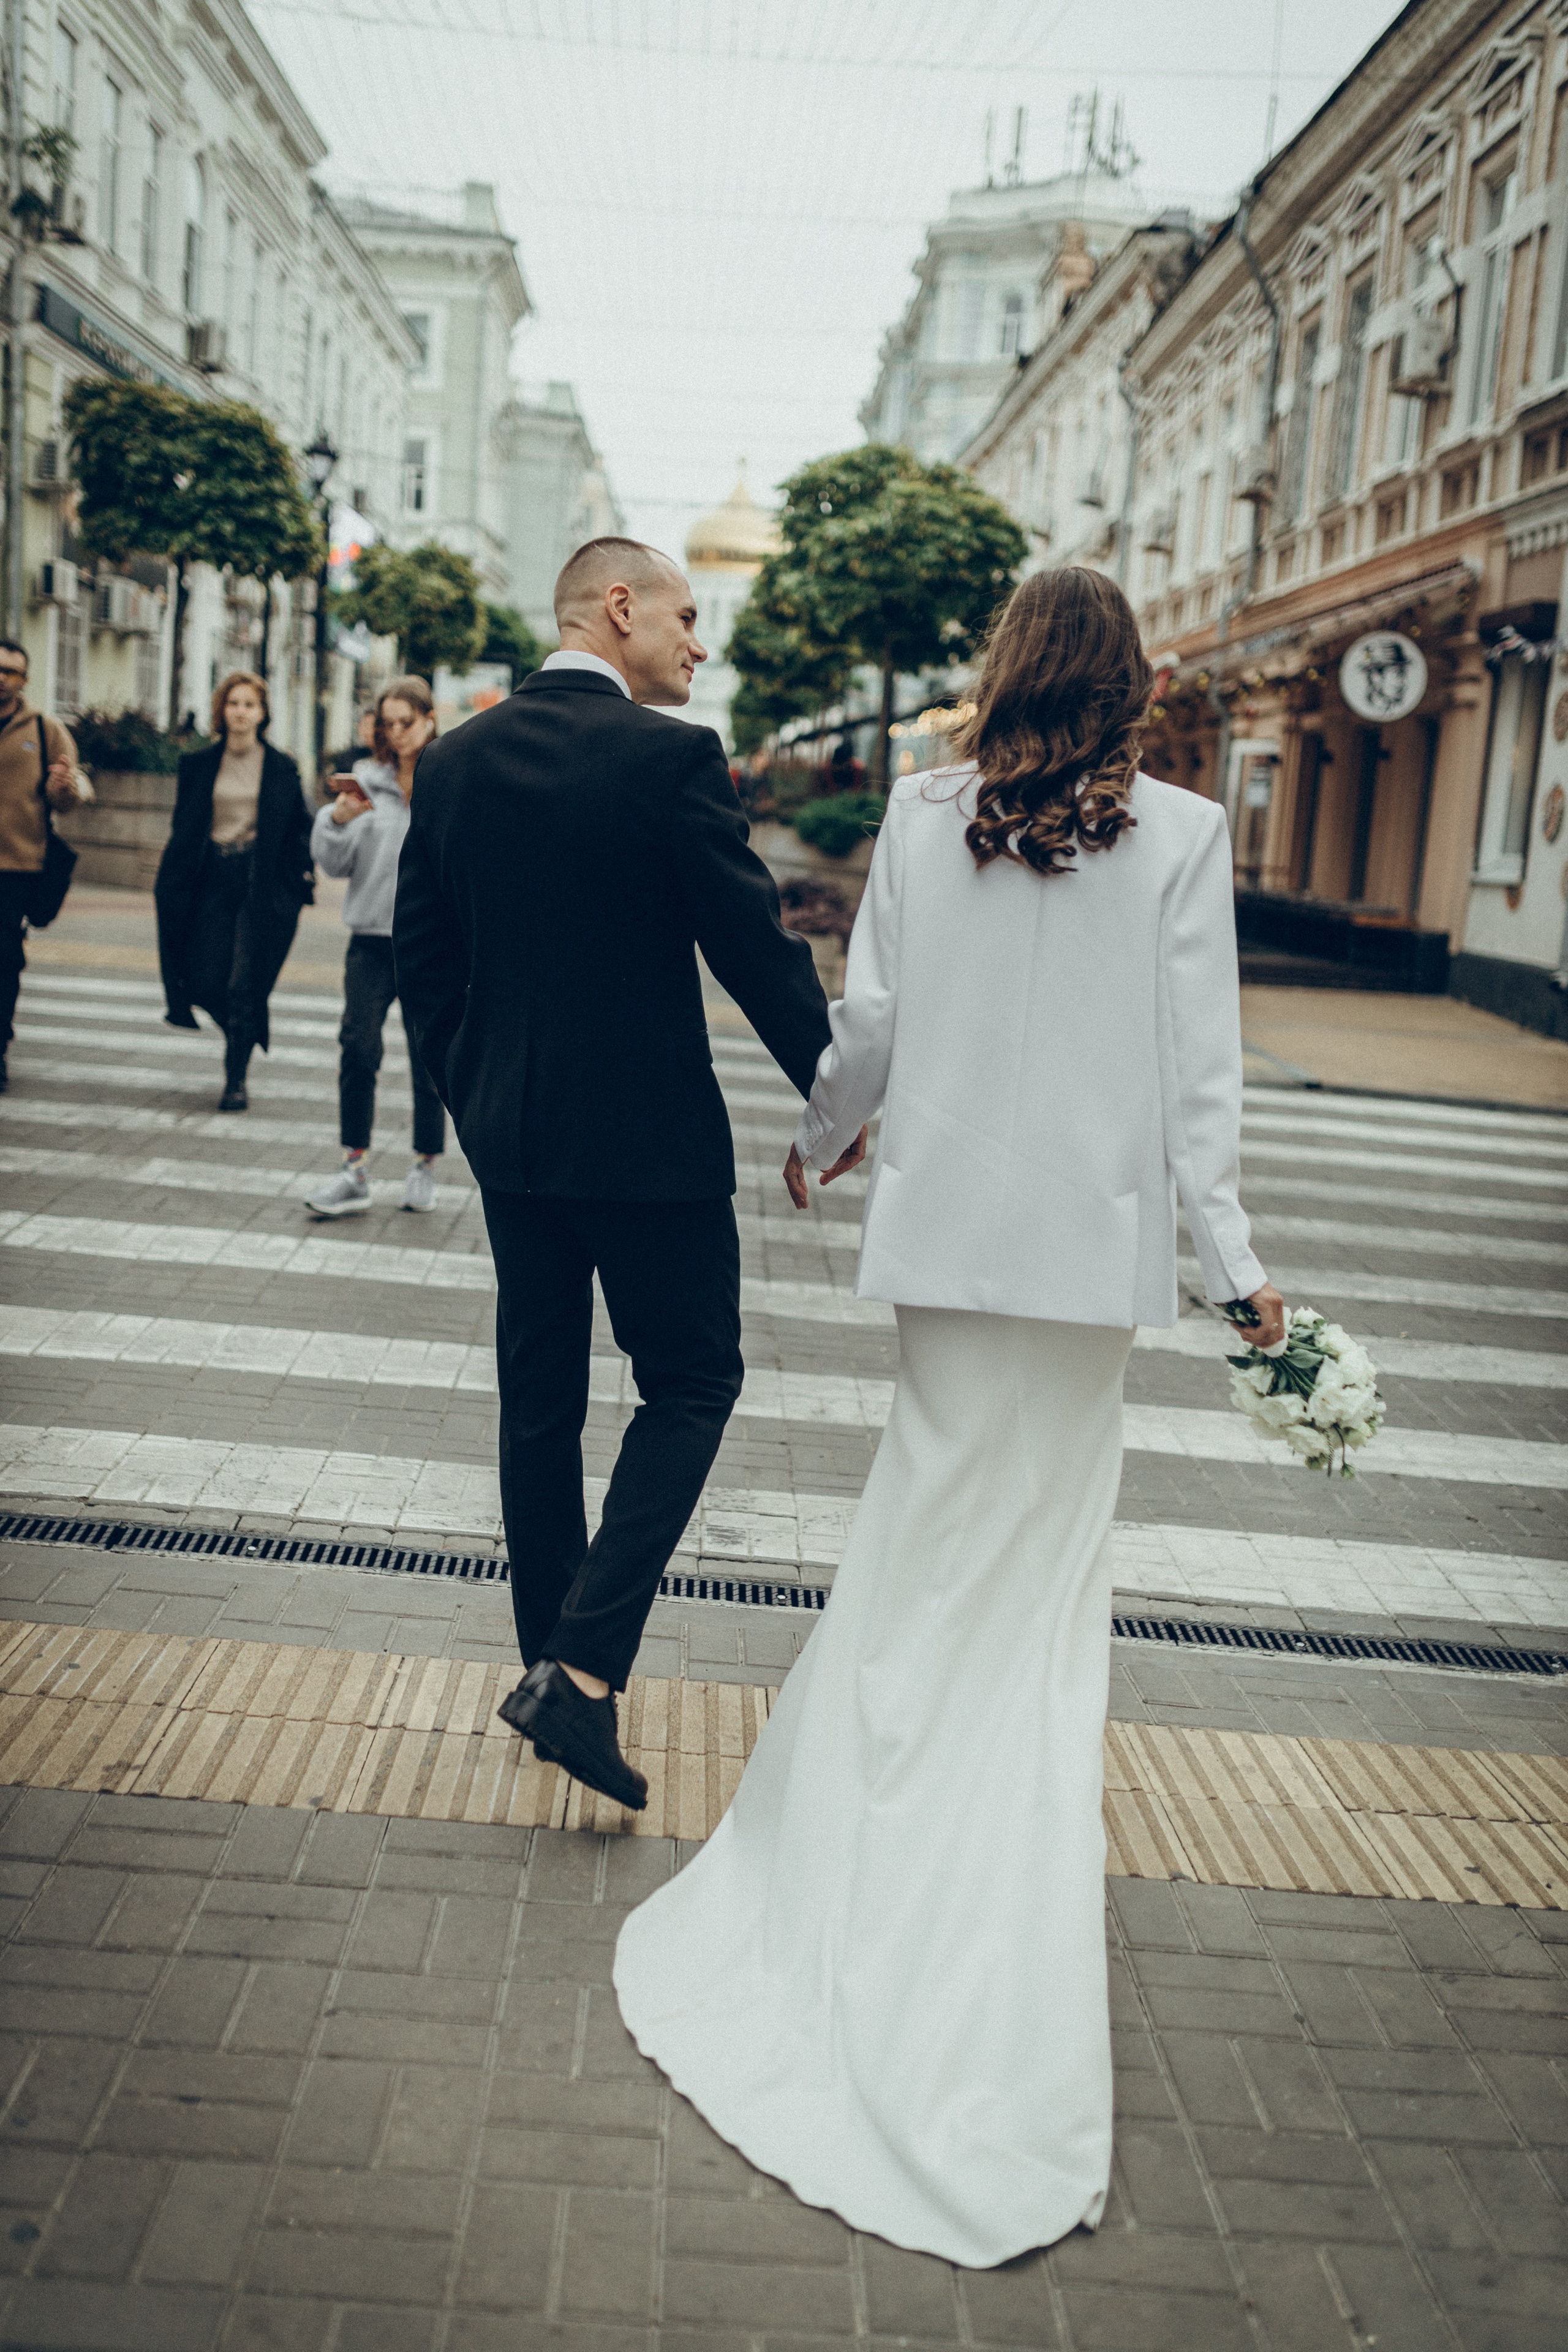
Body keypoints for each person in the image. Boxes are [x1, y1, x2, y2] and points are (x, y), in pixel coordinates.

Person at [613, 567, 1285, 2268]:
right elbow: (1199, 1083)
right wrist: (1240, 1273)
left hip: (949, 1253)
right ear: (1128, 683)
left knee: (920, 1541)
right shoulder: (1188, 837)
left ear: (1003, 669)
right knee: (1041, 1579)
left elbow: (875, 1028)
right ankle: (992, 1869)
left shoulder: (922, 816)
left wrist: (824, 1135)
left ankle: (861, 1836)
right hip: (1088, 1268)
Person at [394, 537, 836, 1808]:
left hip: (516, 1145)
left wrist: (473, 1095)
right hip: (651, 1151)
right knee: (692, 1381)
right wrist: (840, 1094)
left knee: (537, 1403)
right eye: (690, 620)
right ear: (618, 605)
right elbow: (752, 948)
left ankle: (552, 1669)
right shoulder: (670, 758)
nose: (702, 645)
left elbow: (428, 957)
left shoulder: (457, 760)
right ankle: (579, 1671)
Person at [304, 676, 446, 1216]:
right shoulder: (367, 782)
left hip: (431, 947)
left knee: (429, 1058)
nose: (397, 732)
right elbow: (335, 863)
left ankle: (425, 1165)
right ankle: (354, 1168)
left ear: (429, 719)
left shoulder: (451, 779)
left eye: (406, 721)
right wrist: (337, 822)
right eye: (388, 722)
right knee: (358, 1048)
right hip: (370, 942)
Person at [155, 672, 314, 1112]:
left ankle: (236, 1079)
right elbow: (184, 827)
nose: (240, 712)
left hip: (258, 884)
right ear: (221, 711)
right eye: (233, 703)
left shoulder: (281, 767)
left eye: (250, 704)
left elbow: (300, 826)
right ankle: (242, 1029)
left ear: (262, 714)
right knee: (205, 980)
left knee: (245, 982)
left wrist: (297, 877)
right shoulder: (199, 764)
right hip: (210, 877)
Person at [0, 638, 83, 1093]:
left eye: (11, 671)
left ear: (24, 681)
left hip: (17, 867)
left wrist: (63, 786)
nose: (2, 677)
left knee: (4, 963)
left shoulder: (44, 729)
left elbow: (69, 800)